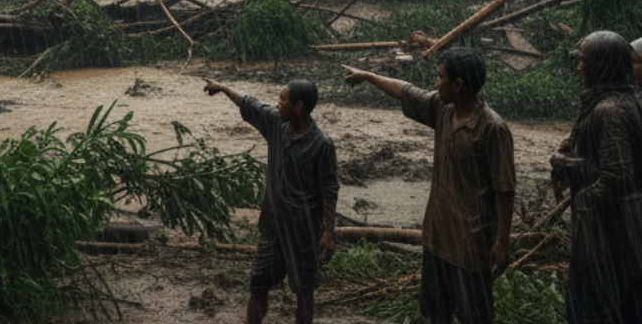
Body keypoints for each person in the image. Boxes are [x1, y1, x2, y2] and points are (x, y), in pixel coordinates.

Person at [344, 47, 515, 324]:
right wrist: (368, 76)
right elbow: (404, 90)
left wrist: (502, 241)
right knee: (437, 312)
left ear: (457, 85)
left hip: (470, 247)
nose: (435, 84)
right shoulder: (442, 109)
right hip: (437, 238)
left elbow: (504, 188)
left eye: (439, 77)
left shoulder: (492, 129)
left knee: (474, 316)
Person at [204, 78, 338, 324]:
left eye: (282, 100)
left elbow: (329, 190)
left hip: (304, 233)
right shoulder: (276, 124)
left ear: (298, 106)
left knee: (304, 292)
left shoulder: (321, 144)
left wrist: (328, 232)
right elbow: (250, 103)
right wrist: (222, 88)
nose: (277, 104)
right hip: (272, 228)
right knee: (258, 284)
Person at [550, 31, 642, 324]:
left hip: (607, 235)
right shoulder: (628, 101)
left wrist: (576, 183)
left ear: (602, 65)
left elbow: (617, 176)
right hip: (624, 234)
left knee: (594, 309)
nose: (579, 67)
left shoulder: (610, 109)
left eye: (584, 60)